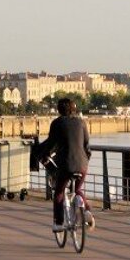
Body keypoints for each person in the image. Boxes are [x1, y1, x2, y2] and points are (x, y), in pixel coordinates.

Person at [37, 97, 92, 232]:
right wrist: (85, 159)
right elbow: (86, 145)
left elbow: (51, 143)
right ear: (74, 109)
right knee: (78, 189)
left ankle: (58, 223)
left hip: (66, 164)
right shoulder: (82, 122)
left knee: (59, 192)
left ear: (59, 110)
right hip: (82, 163)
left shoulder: (57, 123)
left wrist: (45, 156)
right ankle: (87, 211)